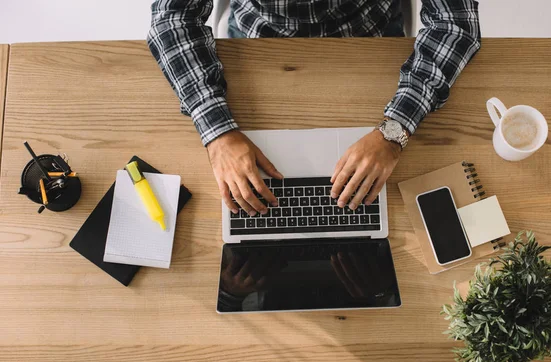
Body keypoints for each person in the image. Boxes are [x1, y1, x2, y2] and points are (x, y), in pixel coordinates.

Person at [148, 0, 481, 216]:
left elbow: (454, 22)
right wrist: (217, 133)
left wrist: (396, 131)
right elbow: (172, 17)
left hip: (373, 47)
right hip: (254, 50)